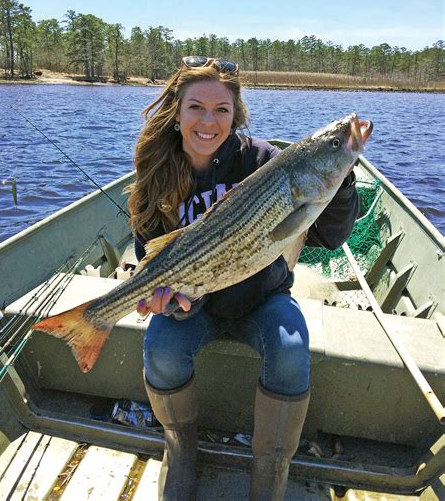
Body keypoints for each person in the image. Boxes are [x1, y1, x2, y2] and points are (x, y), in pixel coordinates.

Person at [127, 56, 359, 501]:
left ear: (236, 115)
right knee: (159, 348)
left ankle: (269, 474)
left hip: (262, 298)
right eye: (196, 107)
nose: (208, 121)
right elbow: (148, 254)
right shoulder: (154, 173)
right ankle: (180, 452)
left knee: (292, 349)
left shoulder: (266, 161)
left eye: (221, 110)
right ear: (177, 114)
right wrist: (168, 299)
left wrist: (342, 176)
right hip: (194, 301)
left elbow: (330, 236)